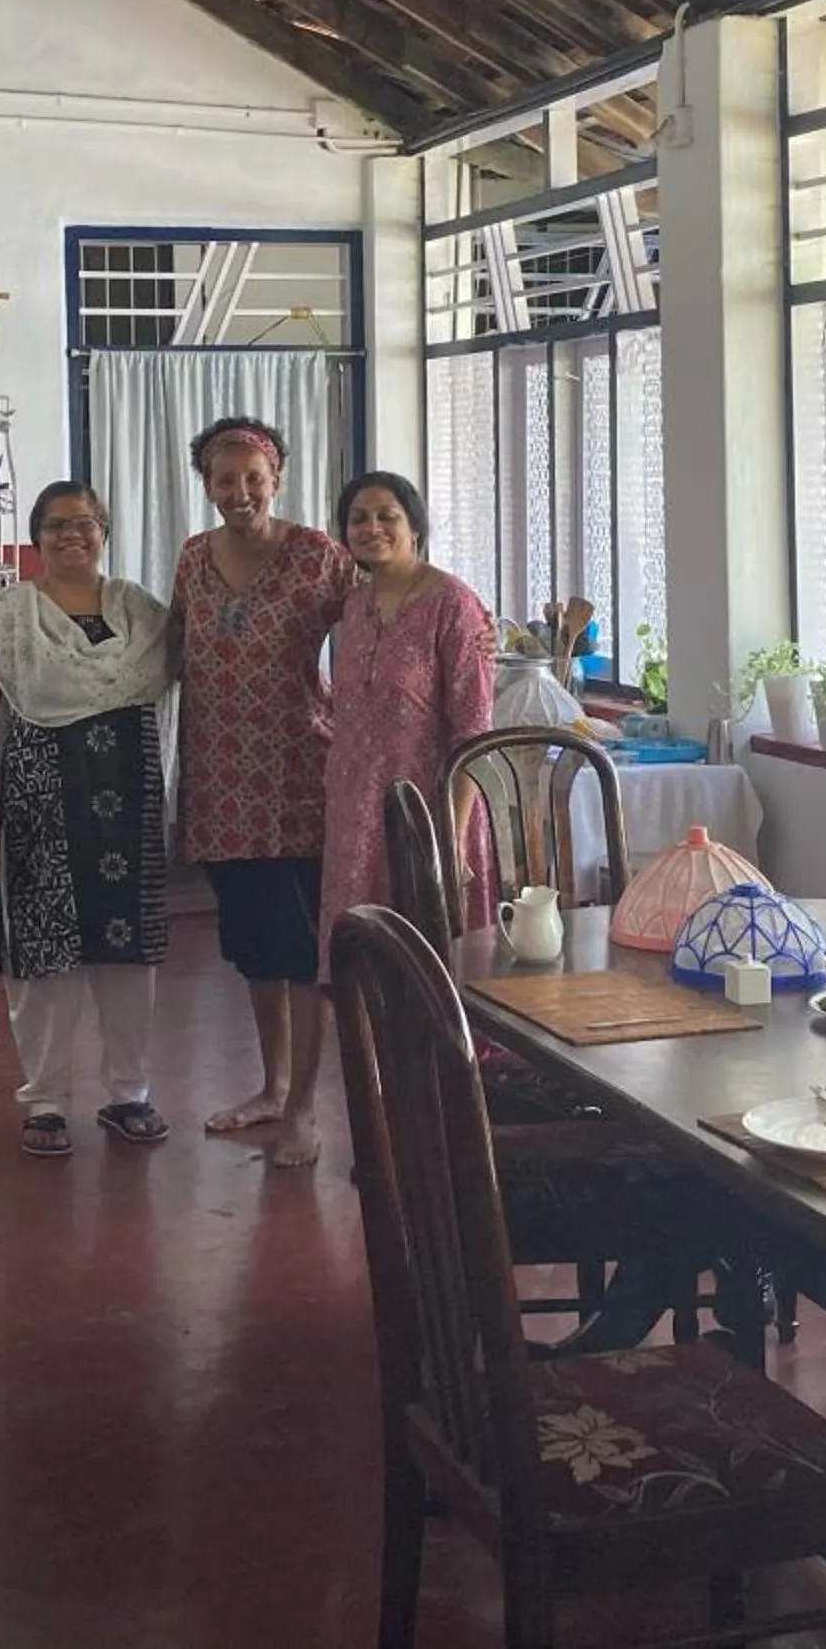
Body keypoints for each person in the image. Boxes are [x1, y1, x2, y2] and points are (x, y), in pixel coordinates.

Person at [0, 482, 177, 1158]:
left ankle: (128, 1093)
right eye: (56, 525)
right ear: (36, 538)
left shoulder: (140, 611)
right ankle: (46, 1101)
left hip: (128, 809)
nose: (71, 535)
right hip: (36, 809)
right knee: (41, 959)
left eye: (85, 522)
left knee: (128, 953)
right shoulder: (6, 619)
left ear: (105, 531)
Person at [169, 415, 357, 1170]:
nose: (240, 491)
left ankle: (305, 1107)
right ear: (206, 485)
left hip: (297, 780)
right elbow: (169, 649)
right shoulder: (193, 557)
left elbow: (380, 625)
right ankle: (273, 1088)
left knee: (302, 950)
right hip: (220, 784)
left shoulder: (319, 554)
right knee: (255, 949)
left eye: (254, 478)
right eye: (225, 479)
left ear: (276, 479)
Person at [321, 467, 495, 966]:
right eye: (359, 519)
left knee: (429, 965)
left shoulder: (453, 605)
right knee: (362, 959)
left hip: (427, 810)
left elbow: (473, 731)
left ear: (414, 526)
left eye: (387, 516)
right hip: (355, 808)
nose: (372, 528)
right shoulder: (355, 604)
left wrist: (452, 837)